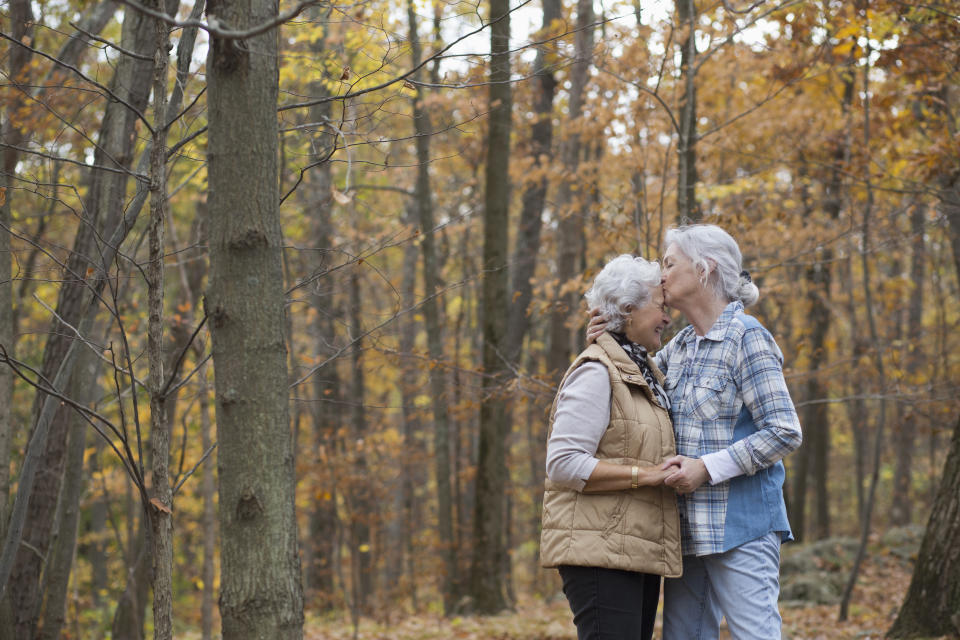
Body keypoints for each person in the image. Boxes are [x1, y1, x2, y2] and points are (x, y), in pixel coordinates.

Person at [588, 224, 802, 639]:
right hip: (687, 531)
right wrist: (605, 337)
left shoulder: (747, 338)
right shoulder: (681, 347)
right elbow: (629, 384)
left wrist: (706, 467)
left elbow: (784, 430)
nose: (662, 274)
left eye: (669, 263)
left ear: (705, 268)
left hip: (743, 526)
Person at [541, 254, 682, 640]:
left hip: (633, 547)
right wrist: (650, 475)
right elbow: (565, 464)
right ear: (627, 309)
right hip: (599, 551)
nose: (667, 317)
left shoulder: (642, 372)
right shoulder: (596, 372)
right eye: (659, 306)